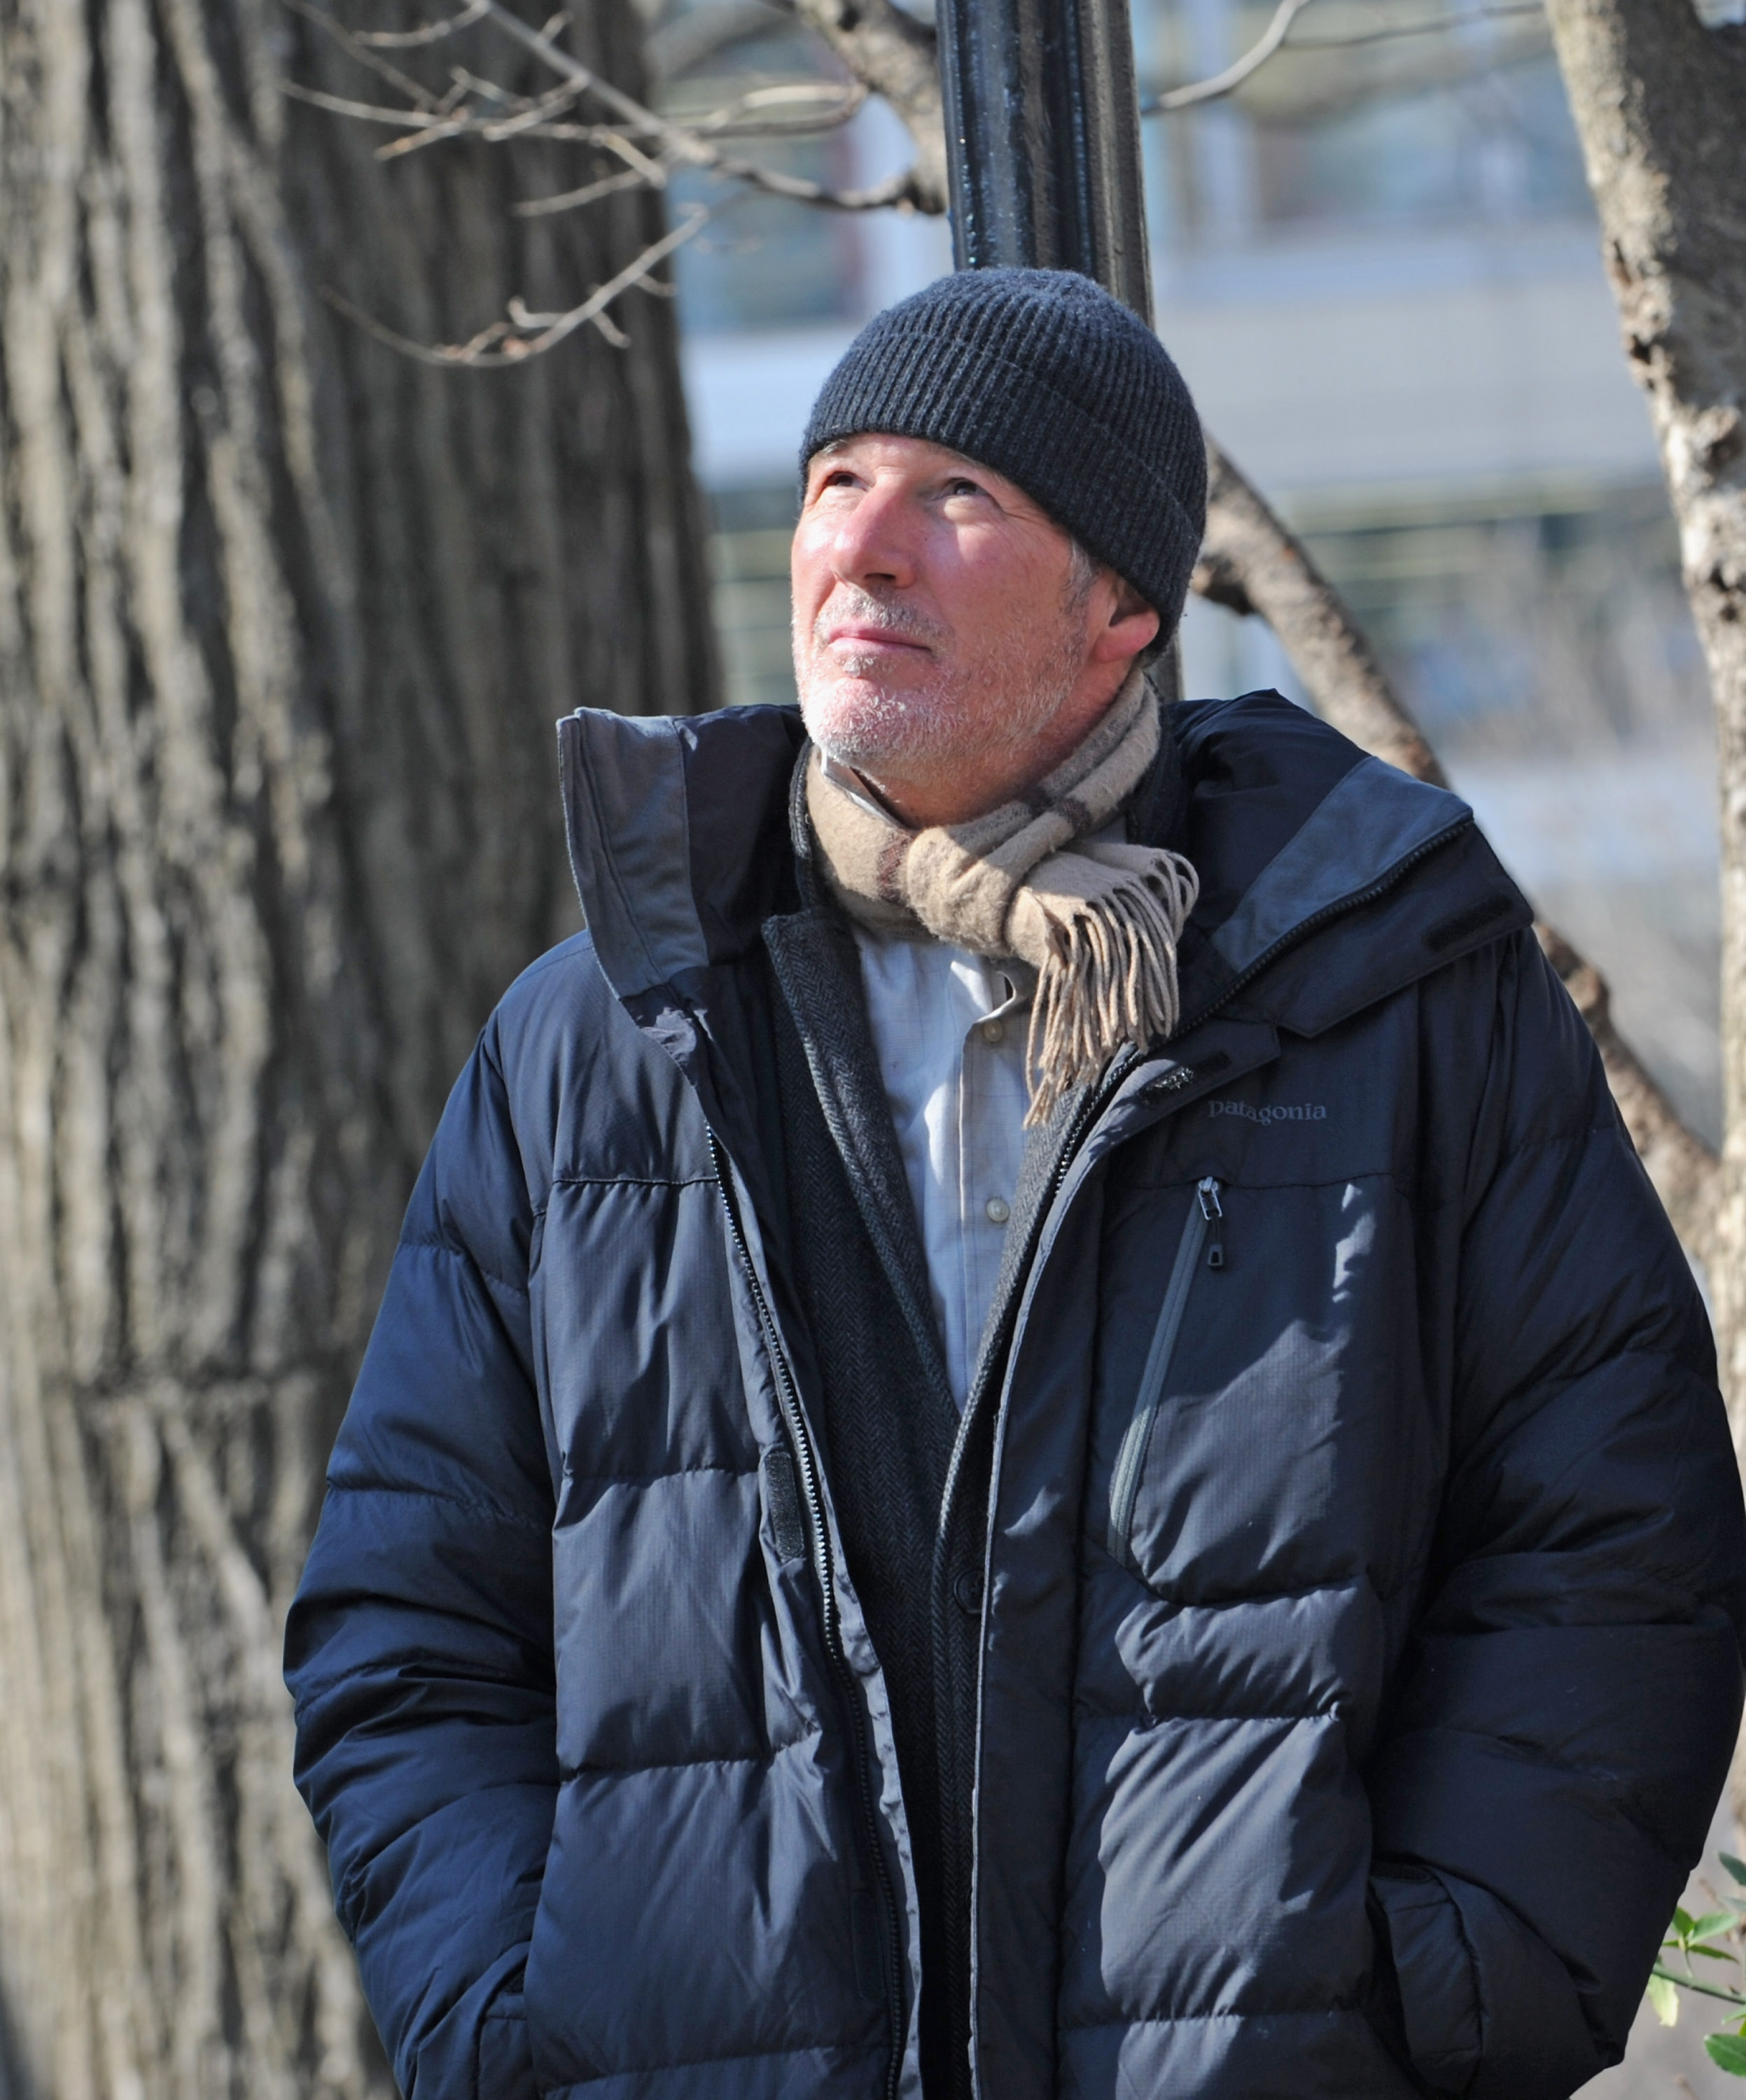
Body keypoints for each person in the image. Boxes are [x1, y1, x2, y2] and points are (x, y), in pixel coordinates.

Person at [286, 267, 1746, 2100]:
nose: (866, 545)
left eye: (957, 495)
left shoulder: (1380, 990)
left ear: (1126, 605)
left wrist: (1432, 2000)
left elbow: (1614, 1540)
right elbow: (412, 1624)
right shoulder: (596, 1046)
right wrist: (522, 2031)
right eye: (836, 485)